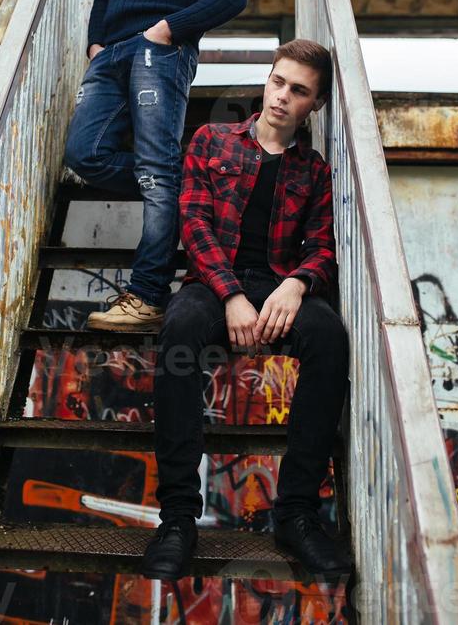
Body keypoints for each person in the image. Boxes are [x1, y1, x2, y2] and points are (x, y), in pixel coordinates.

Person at [141, 39, 352, 580]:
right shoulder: (211, 141)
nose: (283, 97)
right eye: (278, 81)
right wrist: (231, 294)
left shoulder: (315, 170)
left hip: (279, 285)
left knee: (328, 338)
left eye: (299, 91)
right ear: (268, 79)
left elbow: (323, 245)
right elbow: (193, 223)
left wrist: (299, 284)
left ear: (316, 105)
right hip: (215, 281)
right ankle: (178, 517)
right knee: (181, 327)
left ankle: (297, 513)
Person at [64, 0, 247, 331]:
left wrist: (167, 30)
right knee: (86, 154)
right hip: (111, 55)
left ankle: (147, 293)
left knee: (155, 168)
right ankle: (184, 185)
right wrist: (97, 44)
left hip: (160, 52)